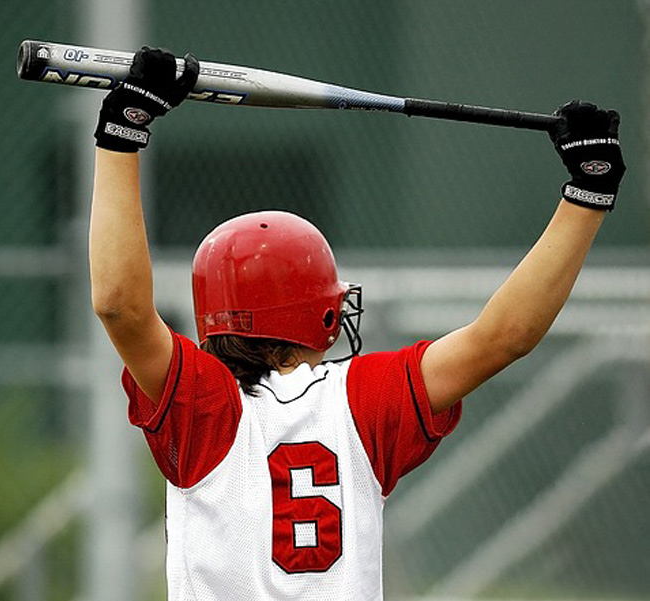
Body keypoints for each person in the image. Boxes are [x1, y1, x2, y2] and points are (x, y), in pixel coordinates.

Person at [88, 48, 625, 600]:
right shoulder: (364, 400)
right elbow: (505, 336)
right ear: (317, 310)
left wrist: (122, 133)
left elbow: (118, 305)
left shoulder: (203, 406)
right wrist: (587, 193)